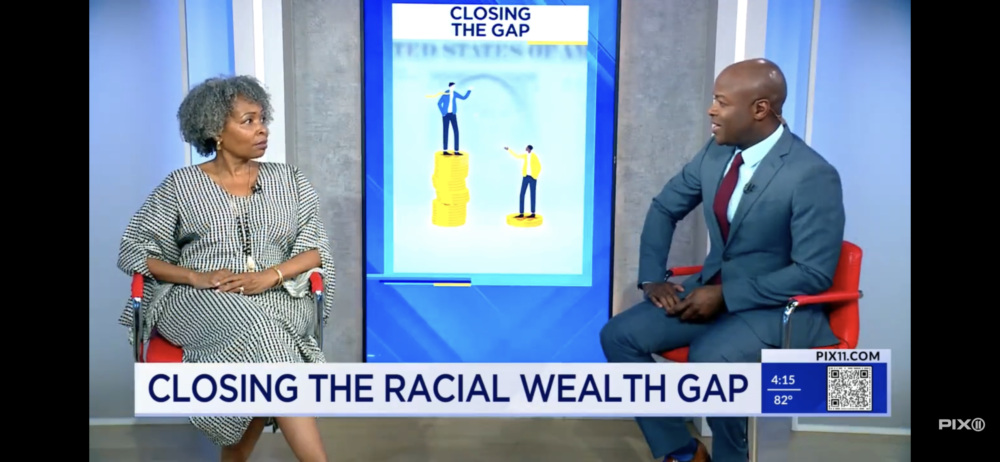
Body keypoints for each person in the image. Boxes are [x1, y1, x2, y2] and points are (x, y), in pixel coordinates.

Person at [599, 58, 844, 462]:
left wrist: (726, 296)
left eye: (721, 102)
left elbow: (813, 273)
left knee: (711, 358)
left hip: (778, 307)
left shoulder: (811, 175)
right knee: (619, 336)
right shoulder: (716, 153)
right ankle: (683, 450)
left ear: (759, 109)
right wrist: (651, 279)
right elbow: (664, 208)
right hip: (714, 291)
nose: (711, 111)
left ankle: (732, 455)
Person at [116, 75, 336, 462]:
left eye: (262, 118)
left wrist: (270, 276)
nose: (262, 128)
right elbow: (135, 249)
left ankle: (235, 459)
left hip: (279, 294)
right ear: (215, 129)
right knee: (266, 339)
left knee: (265, 342)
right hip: (199, 300)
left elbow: (316, 250)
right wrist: (195, 277)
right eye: (248, 120)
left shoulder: (290, 181)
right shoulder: (180, 186)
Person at [503, 144, 541, 218]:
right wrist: (509, 150)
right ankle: (521, 213)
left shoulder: (534, 156)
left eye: (526, 147)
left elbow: (539, 166)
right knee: (522, 194)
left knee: (532, 195)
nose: (525, 148)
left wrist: (535, 175)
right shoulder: (525, 155)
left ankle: (533, 213)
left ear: (529, 148)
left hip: (533, 178)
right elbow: (517, 156)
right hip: (525, 177)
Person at [437, 82, 472, 155]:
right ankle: (445, 150)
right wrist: (443, 112)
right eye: (453, 86)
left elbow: (463, 97)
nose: (454, 88)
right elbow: (439, 103)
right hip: (445, 115)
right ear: (450, 87)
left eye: (454, 87)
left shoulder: (455, 93)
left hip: (453, 114)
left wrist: (469, 91)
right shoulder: (445, 94)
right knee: (445, 131)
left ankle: (456, 151)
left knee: (456, 131)